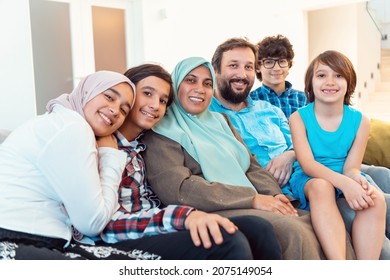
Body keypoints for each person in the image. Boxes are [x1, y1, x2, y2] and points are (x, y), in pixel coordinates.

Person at [140, 55, 348, 260]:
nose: (199, 89)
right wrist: (253, 199)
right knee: (294, 231)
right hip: (212, 208)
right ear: (176, 85)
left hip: (251, 201)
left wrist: (274, 195)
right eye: (190, 80)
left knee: (322, 223)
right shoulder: (161, 131)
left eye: (207, 83)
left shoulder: (220, 121)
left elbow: (251, 165)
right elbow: (179, 189)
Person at [99, 63, 282, 260]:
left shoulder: (141, 144)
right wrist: (183, 218)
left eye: (162, 100)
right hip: (129, 234)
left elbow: (250, 163)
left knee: (259, 229)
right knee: (228, 240)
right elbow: (101, 222)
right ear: (130, 94)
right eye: (147, 93)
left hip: (161, 222)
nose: (155, 105)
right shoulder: (106, 146)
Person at [0, 71, 137, 259]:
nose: (115, 110)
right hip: (16, 239)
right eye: (109, 97)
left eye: (124, 110)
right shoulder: (73, 128)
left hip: (32, 237)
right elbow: (92, 223)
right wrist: (111, 157)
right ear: (87, 91)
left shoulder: (63, 121)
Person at [289, 50, 386, 259]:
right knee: (321, 187)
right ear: (311, 83)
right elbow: (307, 164)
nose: (330, 82)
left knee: (376, 199)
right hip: (310, 177)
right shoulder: (298, 118)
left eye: (338, 75)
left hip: (344, 173)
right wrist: (344, 184)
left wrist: (355, 179)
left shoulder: (361, 121)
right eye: (322, 75)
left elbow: (352, 167)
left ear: (349, 82)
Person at [249, 34, 307, 119]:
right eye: (269, 62)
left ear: (289, 64)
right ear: (257, 67)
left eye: (282, 61)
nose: (277, 68)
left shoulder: (303, 99)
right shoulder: (251, 101)